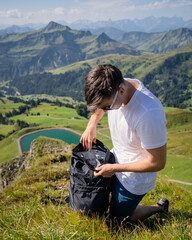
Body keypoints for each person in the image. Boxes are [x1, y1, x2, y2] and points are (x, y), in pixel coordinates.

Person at [80, 64, 169, 225]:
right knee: (100, 204)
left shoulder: (148, 113)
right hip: (114, 160)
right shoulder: (114, 85)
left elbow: (158, 162)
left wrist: (114, 169)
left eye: (107, 107)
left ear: (121, 91)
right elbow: (101, 104)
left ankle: (159, 207)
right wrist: (91, 124)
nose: (104, 110)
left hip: (133, 180)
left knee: (116, 221)